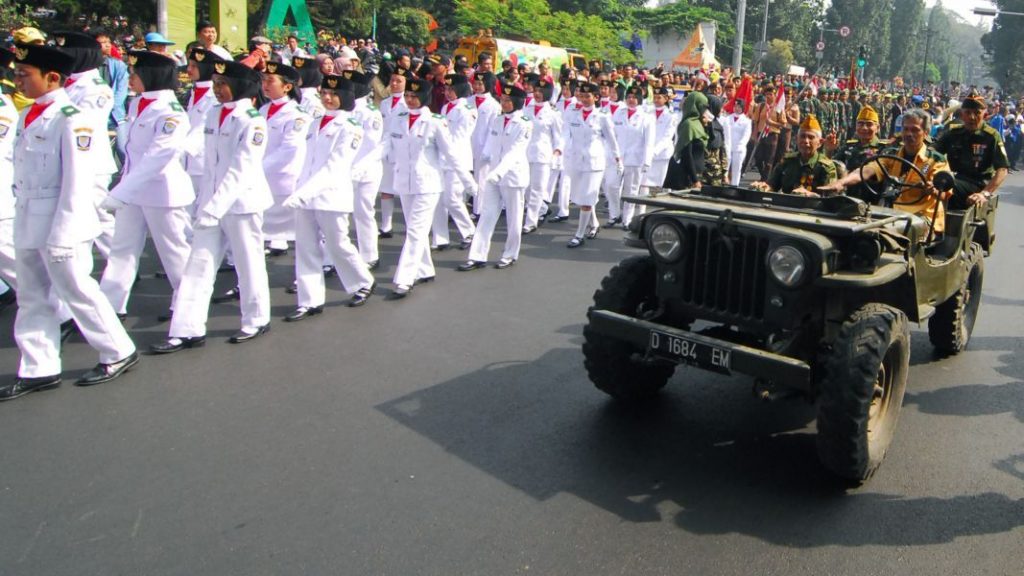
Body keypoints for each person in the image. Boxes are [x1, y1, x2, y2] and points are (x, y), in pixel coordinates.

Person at [2, 43, 139, 401]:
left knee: (77, 291)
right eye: (16, 73)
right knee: (31, 297)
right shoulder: (26, 114)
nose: (18, 79)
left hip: (61, 221)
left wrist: (65, 232)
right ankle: (38, 367)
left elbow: (77, 182)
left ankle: (118, 350)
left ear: (52, 77)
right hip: (28, 216)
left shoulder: (73, 118)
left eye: (24, 74)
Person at [150, 60, 273, 354]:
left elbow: (241, 170)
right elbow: (200, 153)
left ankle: (256, 319)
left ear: (241, 86)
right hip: (211, 203)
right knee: (198, 265)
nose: (217, 90)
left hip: (241, 204)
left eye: (223, 84)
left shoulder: (253, 120)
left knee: (248, 262)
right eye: (215, 84)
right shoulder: (214, 113)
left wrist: (213, 207)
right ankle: (186, 329)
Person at [98, 50, 194, 322]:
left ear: (151, 76)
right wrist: (125, 189)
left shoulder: (171, 112)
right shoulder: (137, 104)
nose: (130, 78)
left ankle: (187, 309)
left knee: (174, 254)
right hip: (134, 190)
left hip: (162, 192)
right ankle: (109, 307)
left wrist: (120, 192)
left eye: (135, 74)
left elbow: (157, 158)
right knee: (121, 250)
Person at [281, 74, 375, 320]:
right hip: (305, 193)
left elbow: (335, 166)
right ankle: (309, 300)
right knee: (305, 247)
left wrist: (305, 193)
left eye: (333, 94)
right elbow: (306, 160)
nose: (327, 98)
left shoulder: (351, 127)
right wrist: (298, 188)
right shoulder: (314, 123)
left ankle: (362, 281)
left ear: (344, 97)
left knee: (337, 244)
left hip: (331, 194)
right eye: (324, 93)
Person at [384, 78, 475, 299]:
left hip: (427, 184)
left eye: (415, 96)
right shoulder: (399, 118)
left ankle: (405, 278)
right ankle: (424, 269)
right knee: (415, 228)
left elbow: (451, 153)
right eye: (408, 96)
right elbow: (386, 144)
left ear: (424, 98)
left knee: (415, 231)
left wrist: (468, 182)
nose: (410, 100)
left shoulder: (436, 121)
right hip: (404, 182)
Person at [818, 108, 951, 236]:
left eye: (915, 130)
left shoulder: (936, 160)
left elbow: (944, 192)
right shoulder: (891, 155)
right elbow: (867, 170)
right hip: (891, 214)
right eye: (905, 129)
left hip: (921, 218)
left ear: (926, 133)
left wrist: (934, 189)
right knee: (855, 229)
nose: (909, 134)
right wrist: (840, 183)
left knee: (882, 233)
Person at [54, 31, 118, 260]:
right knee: (83, 212)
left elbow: (83, 125)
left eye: (66, 52)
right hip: (70, 160)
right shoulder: (68, 84)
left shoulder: (96, 88)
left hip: (92, 163)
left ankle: (118, 260)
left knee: (98, 213)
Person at [458, 85, 532, 271]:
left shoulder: (525, 123)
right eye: (503, 100)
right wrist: (480, 165)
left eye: (508, 101)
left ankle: (510, 254)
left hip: (512, 176)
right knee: (487, 214)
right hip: (493, 176)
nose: (504, 104)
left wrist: (499, 171)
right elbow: (490, 146)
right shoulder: (498, 120)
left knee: (514, 218)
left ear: (516, 102)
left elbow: (515, 152)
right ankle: (477, 256)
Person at [561, 81, 620, 248]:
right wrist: (560, 150)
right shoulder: (573, 114)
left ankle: (579, 234)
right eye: (582, 96)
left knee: (587, 199)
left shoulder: (602, 116)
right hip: (577, 160)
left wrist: (617, 159)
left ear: (596, 97)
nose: (585, 99)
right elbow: (567, 134)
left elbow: (611, 139)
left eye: (588, 96)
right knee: (581, 197)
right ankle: (594, 224)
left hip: (595, 162)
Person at [259, 62, 308, 258]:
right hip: (263, 179)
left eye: (271, 80)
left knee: (304, 233)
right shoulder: (263, 110)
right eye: (264, 80)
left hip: (284, 180)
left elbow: (290, 148)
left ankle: (319, 267)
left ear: (287, 87)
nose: (265, 84)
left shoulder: (297, 115)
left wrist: (257, 168)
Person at [933, 95, 1009, 211]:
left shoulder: (991, 136)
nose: (972, 117)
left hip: (977, 184)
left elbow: (1002, 169)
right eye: (967, 112)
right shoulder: (953, 132)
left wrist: (985, 193)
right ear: (962, 114)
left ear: (984, 114)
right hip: (953, 178)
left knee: (945, 186)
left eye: (977, 113)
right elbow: (933, 152)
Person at [432, 73, 477, 251]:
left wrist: (445, 151)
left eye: (452, 89)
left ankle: (469, 231)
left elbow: (459, 137)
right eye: (447, 89)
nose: (448, 93)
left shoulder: (468, 111)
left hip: (457, 159)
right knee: (439, 199)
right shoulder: (445, 108)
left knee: (452, 199)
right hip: (443, 159)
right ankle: (440, 237)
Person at [754, 114, 837, 195]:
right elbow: (772, 185)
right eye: (802, 136)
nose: (806, 141)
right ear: (797, 139)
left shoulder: (826, 166)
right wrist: (764, 187)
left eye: (811, 137)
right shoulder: (787, 161)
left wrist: (810, 195)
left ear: (820, 143)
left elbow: (829, 198)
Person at [610, 85, 654, 225]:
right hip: (617, 157)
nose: (631, 100)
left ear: (640, 99)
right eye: (629, 97)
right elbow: (612, 135)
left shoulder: (646, 118)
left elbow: (649, 142)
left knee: (631, 190)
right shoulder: (619, 112)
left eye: (635, 97)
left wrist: (647, 161)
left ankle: (627, 220)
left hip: (636, 158)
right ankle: (614, 214)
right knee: (611, 186)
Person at [824, 104, 887, 203]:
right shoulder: (849, 146)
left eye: (869, 124)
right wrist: (829, 150)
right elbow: (831, 167)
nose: (864, 128)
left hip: (872, 200)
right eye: (860, 124)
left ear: (877, 127)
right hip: (847, 198)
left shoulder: (883, 149)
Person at [522, 78, 562, 234]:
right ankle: (544, 208)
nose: (537, 94)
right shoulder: (526, 109)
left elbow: (558, 137)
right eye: (536, 91)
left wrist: (557, 152)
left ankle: (530, 222)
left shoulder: (553, 114)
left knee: (537, 189)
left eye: (541, 92)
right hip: (525, 154)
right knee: (526, 187)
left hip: (543, 155)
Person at [183, 48, 223, 197]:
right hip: (188, 160)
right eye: (189, 65)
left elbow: (203, 127)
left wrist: (181, 149)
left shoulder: (214, 95)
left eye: (194, 66)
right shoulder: (194, 92)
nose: (188, 69)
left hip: (202, 160)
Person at [378, 67, 409, 239]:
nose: (395, 84)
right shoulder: (384, 103)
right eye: (392, 80)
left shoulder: (409, 103)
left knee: (405, 191)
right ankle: (385, 225)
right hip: (386, 150)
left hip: (402, 151)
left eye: (399, 81)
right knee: (386, 189)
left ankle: (410, 224)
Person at [663, 89, 709, 191]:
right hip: (687, 177)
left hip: (697, 174)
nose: (705, 110)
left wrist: (706, 125)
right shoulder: (688, 125)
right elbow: (687, 154)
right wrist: (695, 180)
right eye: (703, 106)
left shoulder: (698, 123)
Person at [721, 97, 751, 186]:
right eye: (735, 106)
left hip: (739, 148)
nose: (736, 108)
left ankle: (735, 185)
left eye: (739, 106)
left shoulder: (747, 121)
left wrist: (741, 145)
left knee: (736, 169)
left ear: (742, 108)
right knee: (725, 167)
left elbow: (746, 135)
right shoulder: (727, 118)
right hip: (728, 146)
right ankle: (724, 183)